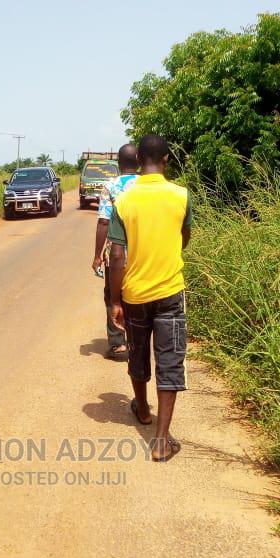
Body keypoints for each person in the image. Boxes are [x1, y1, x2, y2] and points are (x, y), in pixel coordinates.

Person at [108, 134, 192, 462]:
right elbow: (184, 239)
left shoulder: (125, 201)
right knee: (170, 360)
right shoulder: (181, 196)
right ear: (167, 159)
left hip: (135, 294)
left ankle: (142, 410)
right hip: (170, 291)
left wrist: (115, 301)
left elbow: (117, 256)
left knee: (138, 352)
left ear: (139, 159)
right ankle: (160, 440)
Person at [91, 143, 138, 359]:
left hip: (115, 251)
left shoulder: (110, 186)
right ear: (138, 162)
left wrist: (98, 255)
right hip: (142, 250)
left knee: (113, 294)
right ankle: (137, 339)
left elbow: (103, 221)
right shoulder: (145, 186)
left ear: (118, 164)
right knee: (136, 293)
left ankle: (118, 343)